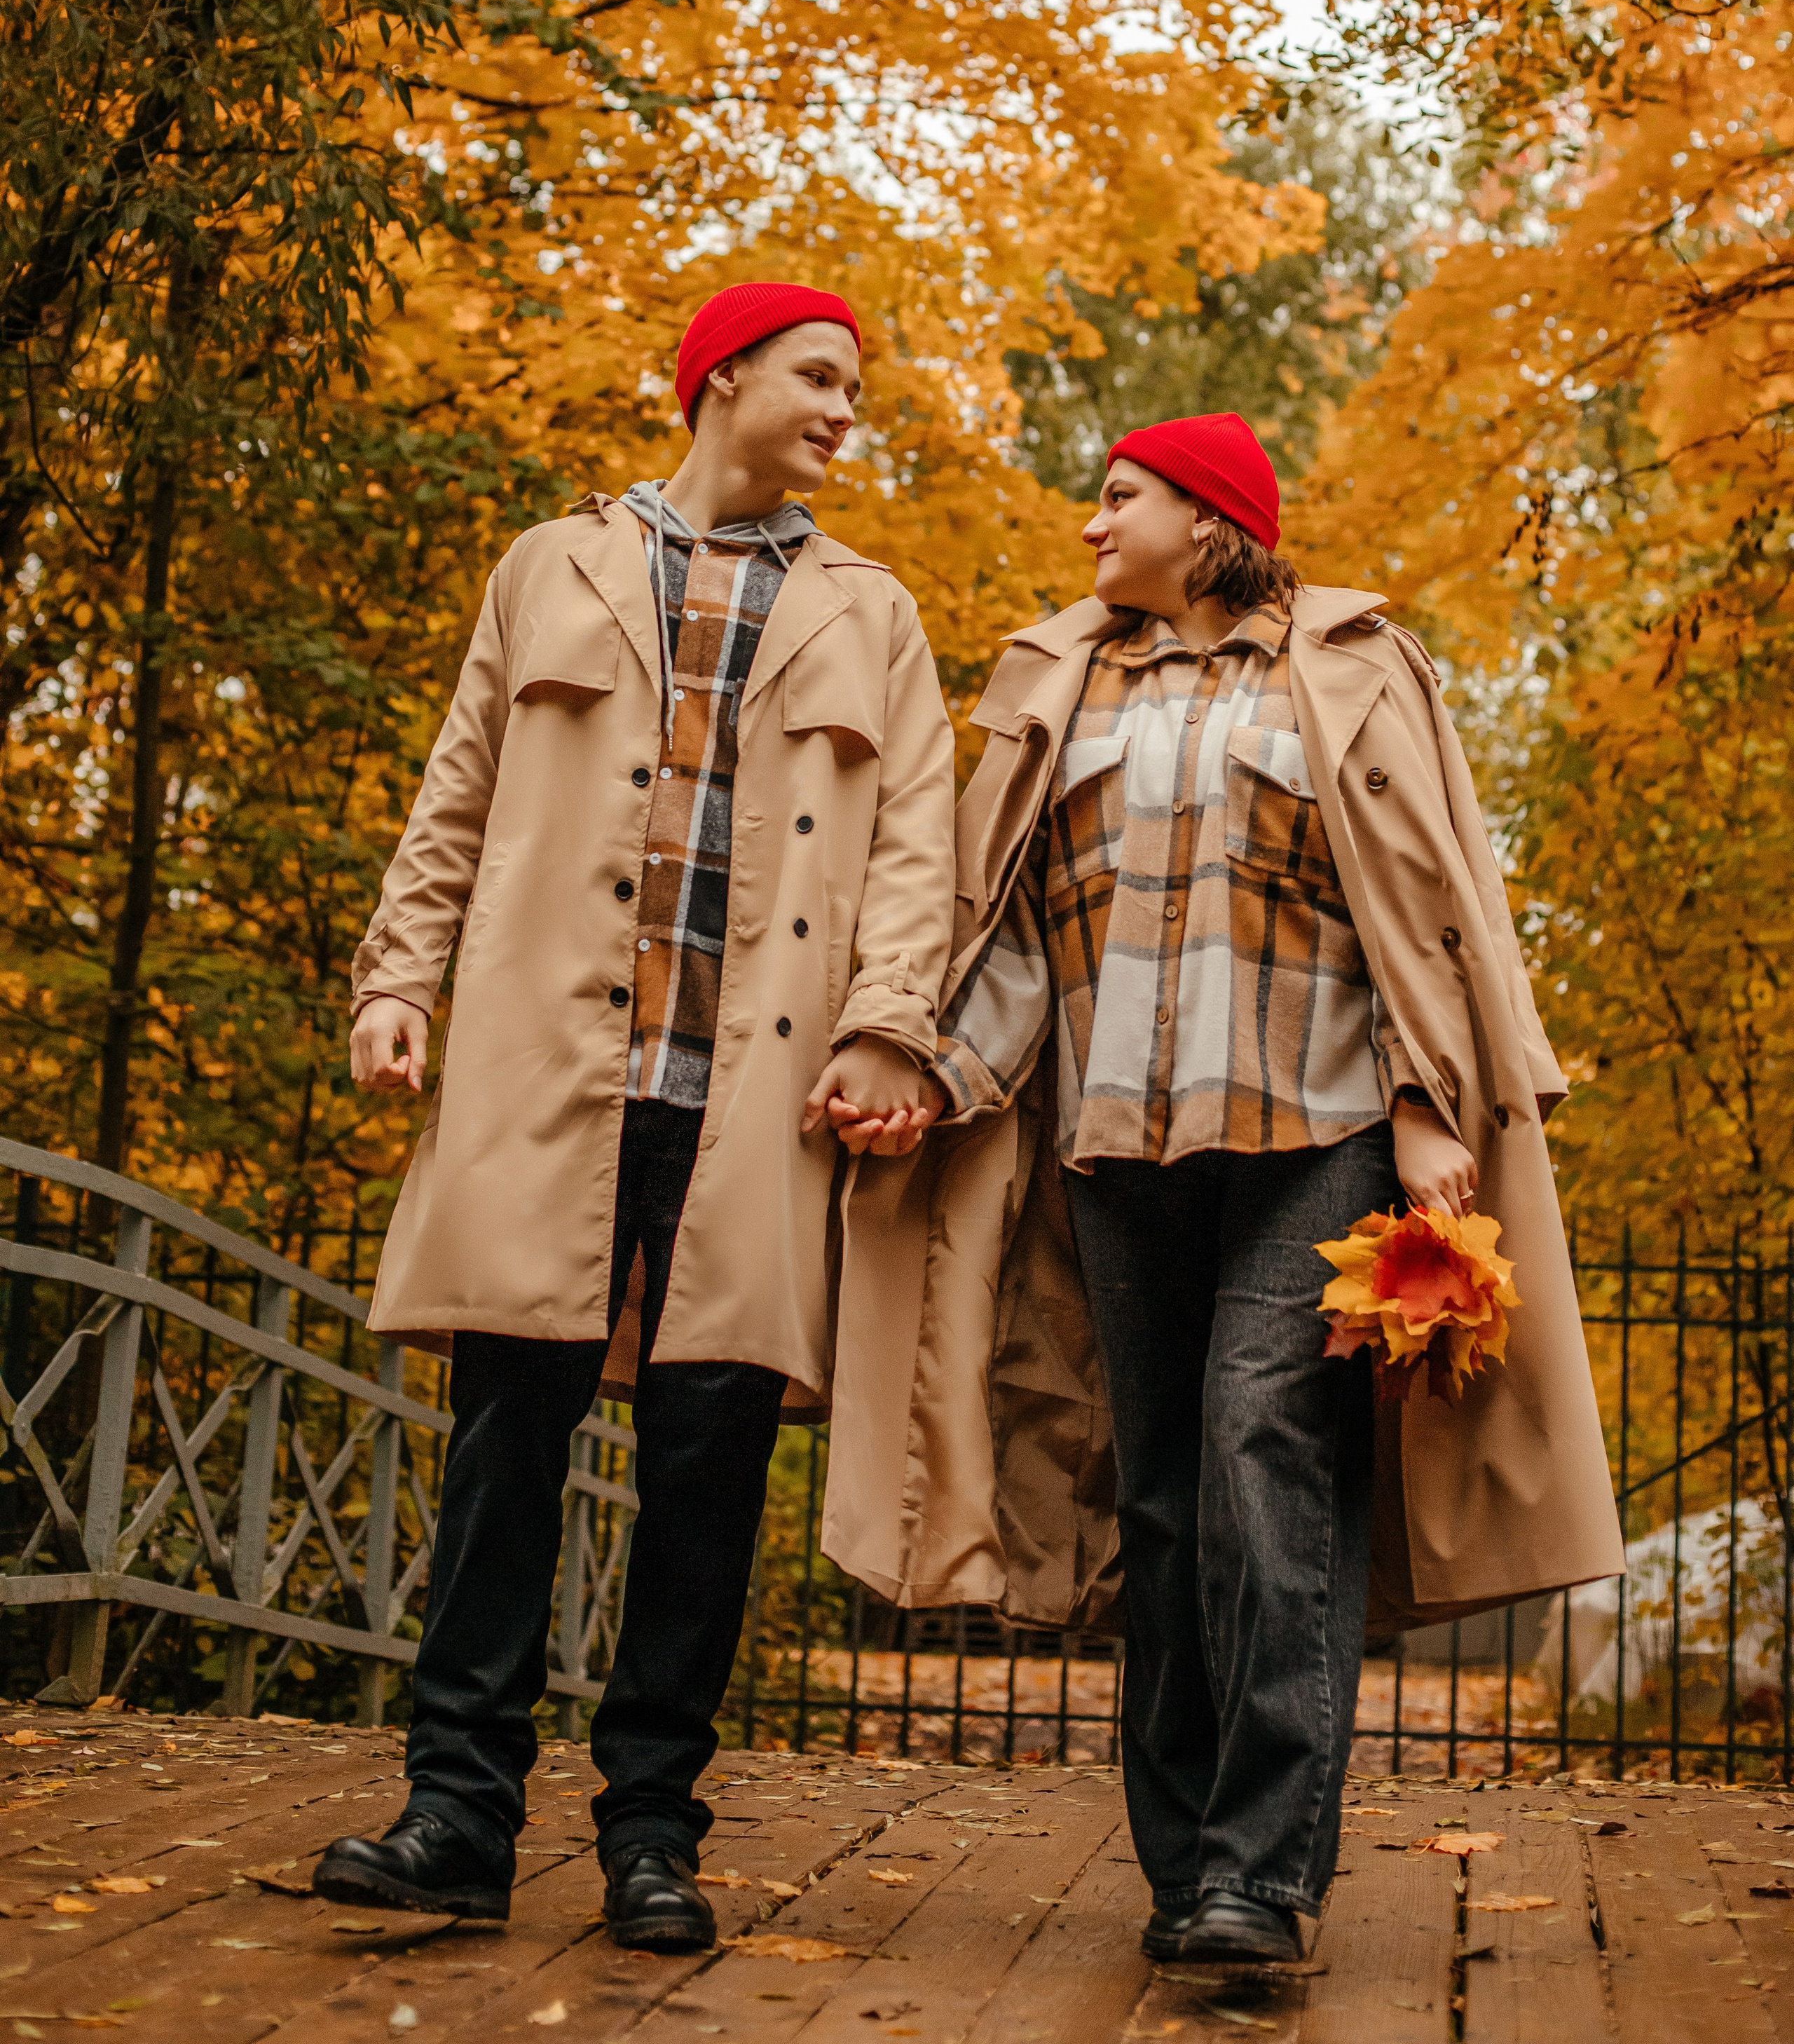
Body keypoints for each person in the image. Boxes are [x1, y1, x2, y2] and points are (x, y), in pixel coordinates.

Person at [823, 411, 1622, 1966]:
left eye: (1115, 497)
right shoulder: (1061, 682)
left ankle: (1262, 1870)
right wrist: (928, 1072)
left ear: (1205, 518)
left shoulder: (1345, 666)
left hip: (1311, 1137)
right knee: (1166, 1499)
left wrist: (1417, 1102)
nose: (1087, 525)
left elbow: (1417, 899)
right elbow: (1018, 940)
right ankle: (1183, 1860)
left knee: (1267, 1466)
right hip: (1114, 1153)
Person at [313, 281, 954, 1949]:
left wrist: (891, 1027)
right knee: (504, 1454)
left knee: (705, 1474)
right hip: (551, 1079)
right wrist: (399, 978)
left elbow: (912, 856)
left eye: (853, 387)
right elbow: (456, 790)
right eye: (816, 376)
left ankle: (651, 1832)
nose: (839, 409)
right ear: (719, 376)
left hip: (751, 1097)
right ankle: (455, 1812)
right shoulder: (552, 564)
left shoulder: (871, 614)